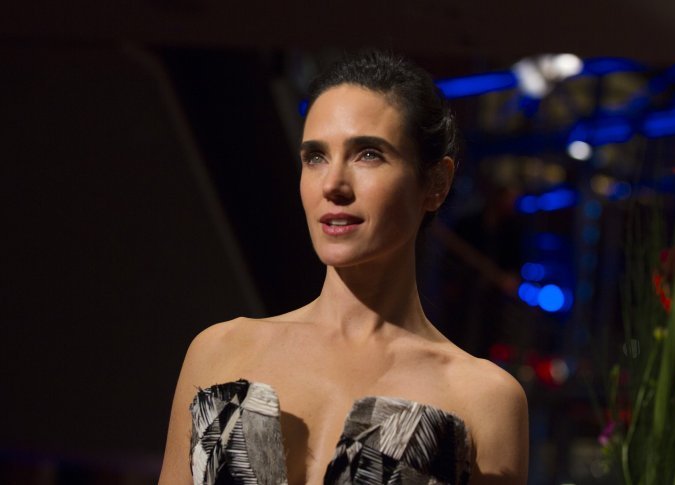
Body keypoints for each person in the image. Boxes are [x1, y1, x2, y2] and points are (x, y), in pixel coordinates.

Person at [159, 50, 528, 485]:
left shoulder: (482, 397)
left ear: (436, 184)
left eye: (368, 154)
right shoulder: (219, 350)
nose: (333, 184)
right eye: (315, 157)